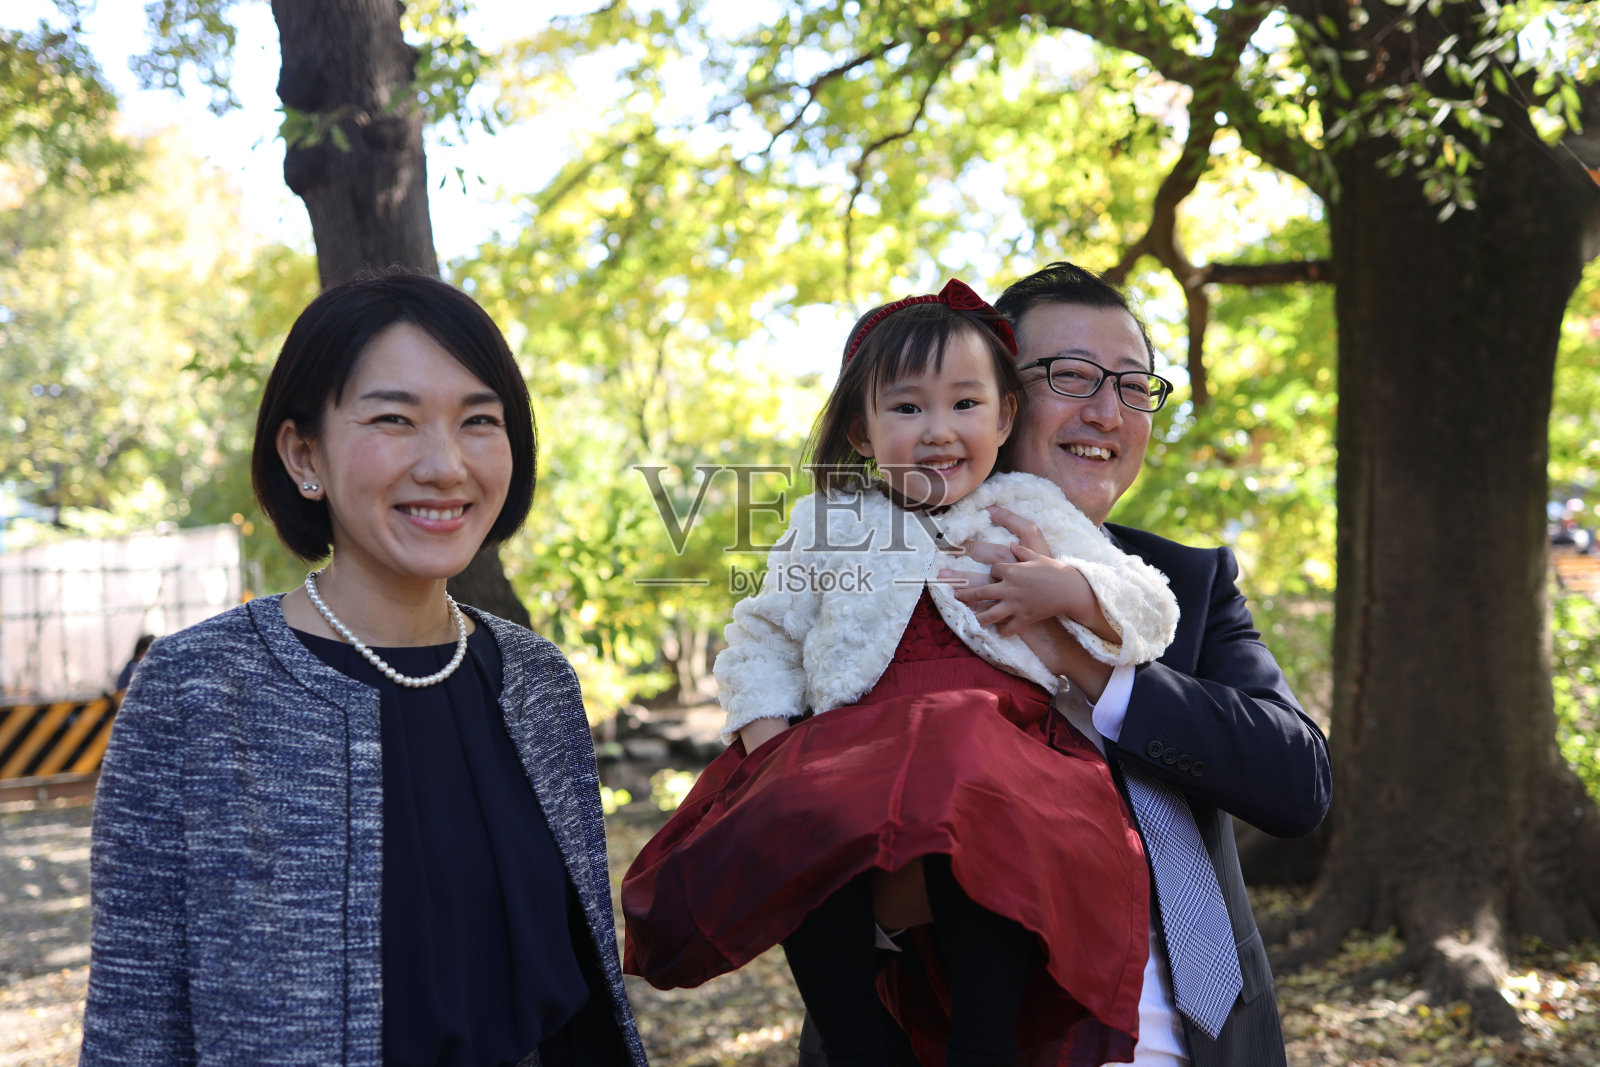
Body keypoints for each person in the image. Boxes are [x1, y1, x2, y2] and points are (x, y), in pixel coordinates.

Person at [81, 271, 648, 1067]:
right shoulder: (199, 689)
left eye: (479, 420)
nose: (446, 464)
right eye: (394, 418)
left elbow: (583, 998)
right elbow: (134, 1022)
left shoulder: (536, 681)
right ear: (303, 453)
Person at [623, 280, 1184, 1067]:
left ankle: (982, 1041)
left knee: (974, 782)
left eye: (964, 404)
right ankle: (854, 1037)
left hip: (999, 749)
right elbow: (762, 635)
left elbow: (1151, 607)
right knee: (798, 805)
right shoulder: (829, 521)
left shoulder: (1027, 509)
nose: (938, 431)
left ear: (1003, 417)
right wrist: (772, 742)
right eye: (908, 408)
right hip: (855, 749)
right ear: (861, 429)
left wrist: (1066, 586)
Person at [797, 262, 1333, 1066]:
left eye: (1133, 383)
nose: (1107, 410)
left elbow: (1298, 784)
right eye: (1073, 376)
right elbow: (799, 828)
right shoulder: (872, 569)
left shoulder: (1181, 585)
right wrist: (899, 894)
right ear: (997, 401)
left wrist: (1083, 658)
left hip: (1190, 1043)